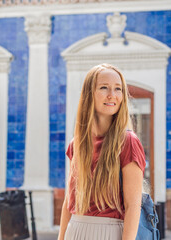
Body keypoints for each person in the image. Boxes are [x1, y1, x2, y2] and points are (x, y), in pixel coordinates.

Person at [57, 63, 146, 240]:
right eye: (104, 87)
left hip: (110, 233)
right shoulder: (77, 144)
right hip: (74, 231)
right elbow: (70, 200)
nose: (112, 95)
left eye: (118, 89)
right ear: (90, 94)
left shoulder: (128, 142)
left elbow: (133, 206)